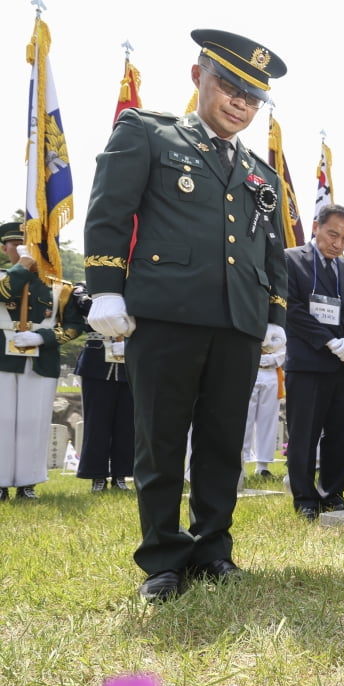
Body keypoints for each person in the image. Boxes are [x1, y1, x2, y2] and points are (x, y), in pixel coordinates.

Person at [84, 29, 289, 602]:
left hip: (238, 323)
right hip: (166, 313)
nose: (240, 104)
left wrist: (274, 313)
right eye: (230, 86)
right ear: (198, 76)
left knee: (224, 440)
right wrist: (105, 289)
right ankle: (163, 558)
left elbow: (270, 252)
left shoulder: (261, 174)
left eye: (253, 98)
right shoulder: (148, 134)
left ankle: (213, 548)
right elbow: (109, 212)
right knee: (162, 438)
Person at [284, 204, 344, 520]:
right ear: (316, 226)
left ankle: (332, 493)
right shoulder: (291, 260)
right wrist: (329, 341)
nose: (338, 243)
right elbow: (292, 309)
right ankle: (305, 498)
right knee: (304, 433)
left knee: (340, 433)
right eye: (333, 234)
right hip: (308, 362)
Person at [1, 223, 84, 501]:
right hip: (3, 358)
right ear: (5, 248)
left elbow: (74, 326)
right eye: (18, 245)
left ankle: (28, 482)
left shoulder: (60, 287)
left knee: (33, 422)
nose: (28, 250)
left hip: (41, 360)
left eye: (34, 246)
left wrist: (44, 338)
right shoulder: (4, 277)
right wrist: (23, 265)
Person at [69, 282, 134, 492]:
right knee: (97, 422)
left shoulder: (136, 287)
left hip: (129, 361)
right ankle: (96, 474)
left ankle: (120, 474)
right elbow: (84, 304)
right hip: (97, 362)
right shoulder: (85, 289)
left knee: (126, 423)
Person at [242, 342, 285, 479]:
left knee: (268, 420)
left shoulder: (278, 326)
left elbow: (284, 344)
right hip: (249, 369)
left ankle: (262, 467)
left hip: (271, 371)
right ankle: (240, 464)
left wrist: (275, 358)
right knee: (244, 420)